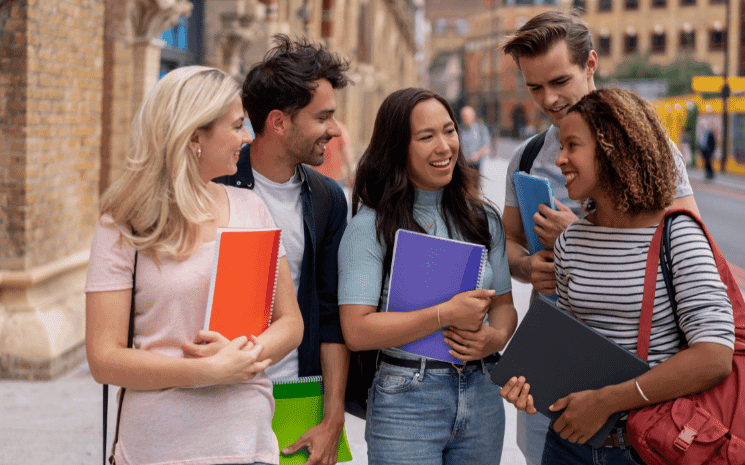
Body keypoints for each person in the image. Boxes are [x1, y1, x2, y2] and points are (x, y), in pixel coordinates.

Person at [499, 10, 700, 463]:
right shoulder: (527, 157)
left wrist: (585, 240)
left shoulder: (651, 149)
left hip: (639, 367)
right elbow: (508, 245)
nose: (549, 99)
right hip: (554, 353)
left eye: (559, 81)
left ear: (590, 64)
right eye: (534, 87)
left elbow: (684, 241)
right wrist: (526, 267)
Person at [85, 65, 304, 465]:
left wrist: (246, 353)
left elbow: (290, 323)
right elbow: (103, 358)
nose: (248, 137)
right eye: (237, 126)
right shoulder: (124, 224)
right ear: (194, 137)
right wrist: (209, 371)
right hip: (158, 449)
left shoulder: (250, 209)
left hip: (247, 442)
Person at [338, 87, 518, 464]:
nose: (444, 146)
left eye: (449, 131)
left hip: (482, 393)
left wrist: (493, 338)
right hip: (406, 399)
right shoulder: (370, 227)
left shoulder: (483, 220)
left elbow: (504, 306)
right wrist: (443, 315)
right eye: (426, 137)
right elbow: (356, 331)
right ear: (397, 147)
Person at [214, 35, 351, 465]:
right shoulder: (213, 186)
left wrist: (332, 418)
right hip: (216, 393)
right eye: (323, 117)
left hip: (296, 395)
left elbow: (331, 314)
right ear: (278, 122)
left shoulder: (328, 198)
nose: (334, 129)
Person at [459, 105, 492, 174]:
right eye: (463, 116)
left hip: (476, 165)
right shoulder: (458, 129)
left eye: (467, 116)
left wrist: (477, 154)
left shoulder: (480, 128)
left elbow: (487, 146)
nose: (465, 118)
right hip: (462, 165)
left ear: (473, 116)